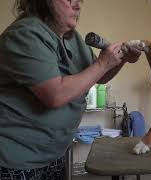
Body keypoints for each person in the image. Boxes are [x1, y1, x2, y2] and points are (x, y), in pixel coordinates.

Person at [0, 0, 143, 179]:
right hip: (18, 158)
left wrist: (121, 60)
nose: (77, 5)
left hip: (54, 154)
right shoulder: (24, 35)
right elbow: (55, 95)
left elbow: (95, 76)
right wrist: (103, 63)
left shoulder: (71, 37)